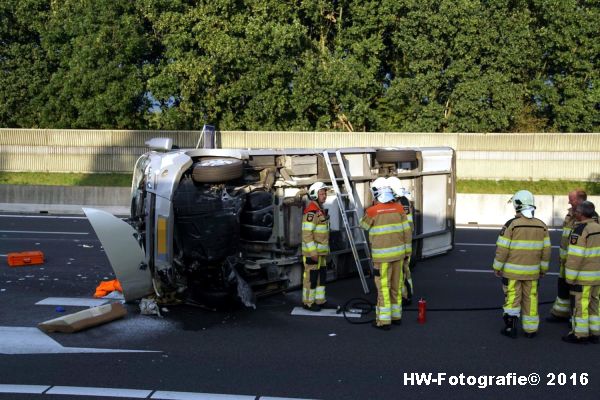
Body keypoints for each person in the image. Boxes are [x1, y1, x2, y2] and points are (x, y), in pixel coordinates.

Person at [493, 190, 551, 338]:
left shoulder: (511, 225)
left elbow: (502, 249)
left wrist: (497, 267)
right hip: (533, 273)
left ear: (517, 205)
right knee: (531, 299)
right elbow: (547, 251)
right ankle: (531, 330)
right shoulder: (542, 225)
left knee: (512, 298)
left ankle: (510, 329)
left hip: (512, 273)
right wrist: (543, 269)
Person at [360, 180, 412, 330]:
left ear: (377, 196)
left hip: (382, 259)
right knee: (396, 286)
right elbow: (407, 232)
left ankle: (383, 321)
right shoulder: (399, 208)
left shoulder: (372, 211)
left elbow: (363, 225)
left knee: (383, 288)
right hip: (399, 256)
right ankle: (396, 317)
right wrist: (407, 253)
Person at [548, 189, 592, 322]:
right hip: (565, 262)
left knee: (576, 292)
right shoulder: (570, 215)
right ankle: (560, 314)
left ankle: (575, 320)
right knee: (563, 288)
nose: (568, 202)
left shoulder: (590, 217)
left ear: (580, 200)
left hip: (578, 263)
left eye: (571, 199)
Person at [562, 201, 600, 344]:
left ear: (582, 214)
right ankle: (595, 333)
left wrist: (570, 278)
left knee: (580, 306)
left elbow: (575, 258)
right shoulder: (598, 227)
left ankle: (580, 334)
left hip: (583, 278)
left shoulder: (580, 231)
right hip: (597, 276)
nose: (575, 213)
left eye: (577, 211)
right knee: (595, 304)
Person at [301, 182, 330, 311]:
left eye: (325, 193)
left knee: (321, 277)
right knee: (311, 279)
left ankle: (319, 300)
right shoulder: (311, 212)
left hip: (321, 253)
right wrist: (313, 252)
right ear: (314, 195)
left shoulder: (319, 210)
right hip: (313, 253)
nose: (325, 196)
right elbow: (307, 234)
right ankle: (308, 302)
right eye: (322, 193)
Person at [387, 176, 414, 304]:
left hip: (402, 243)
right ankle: (403, 294)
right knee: (403, 271)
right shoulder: (403, 201)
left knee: (402, 271)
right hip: (402, 243)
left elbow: (406, 228)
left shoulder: (401, 203)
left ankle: (405, 296)